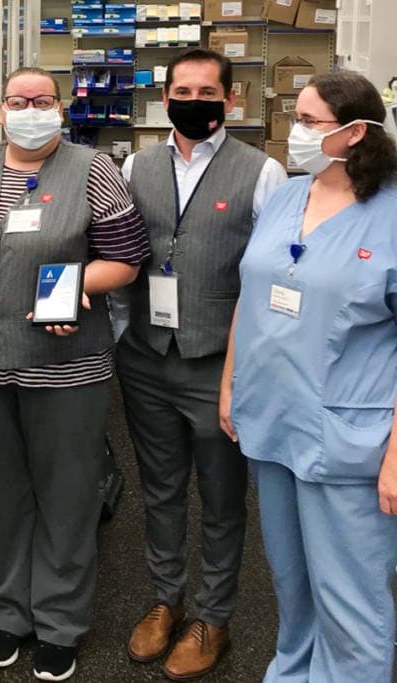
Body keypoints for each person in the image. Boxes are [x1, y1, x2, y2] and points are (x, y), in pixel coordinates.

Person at [0, 66, 149, 681]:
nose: (30, 109)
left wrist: (75, 286)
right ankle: (7, 613)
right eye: (18, 100)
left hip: (67, 365)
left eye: (42, 100)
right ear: (1, 110)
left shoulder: (92, 170)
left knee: (67, 495)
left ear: (61, 107)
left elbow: (127, 257)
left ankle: (59, 621)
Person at [115, 48, 287, 680]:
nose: (193, 100)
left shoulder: (262, 172)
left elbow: (270, 277)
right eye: (182, 90)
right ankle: (166, 599)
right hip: (145, 356)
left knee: (220, 496)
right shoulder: (136, 165)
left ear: (229, 100)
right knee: (159, 488)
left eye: (206, 91)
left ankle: (213, 615)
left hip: (218, 362)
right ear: (165, 98)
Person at [222, 71, 397, 683]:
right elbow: (252, 292)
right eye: (292, 118)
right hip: (273, 418)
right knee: (291, 583)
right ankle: (294, 672)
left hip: (349, 437)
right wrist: (230, 384)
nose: (292, 132)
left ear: (354, 133)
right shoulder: (286, 196)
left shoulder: (391, 214)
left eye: (307, 121)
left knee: (350, 596)